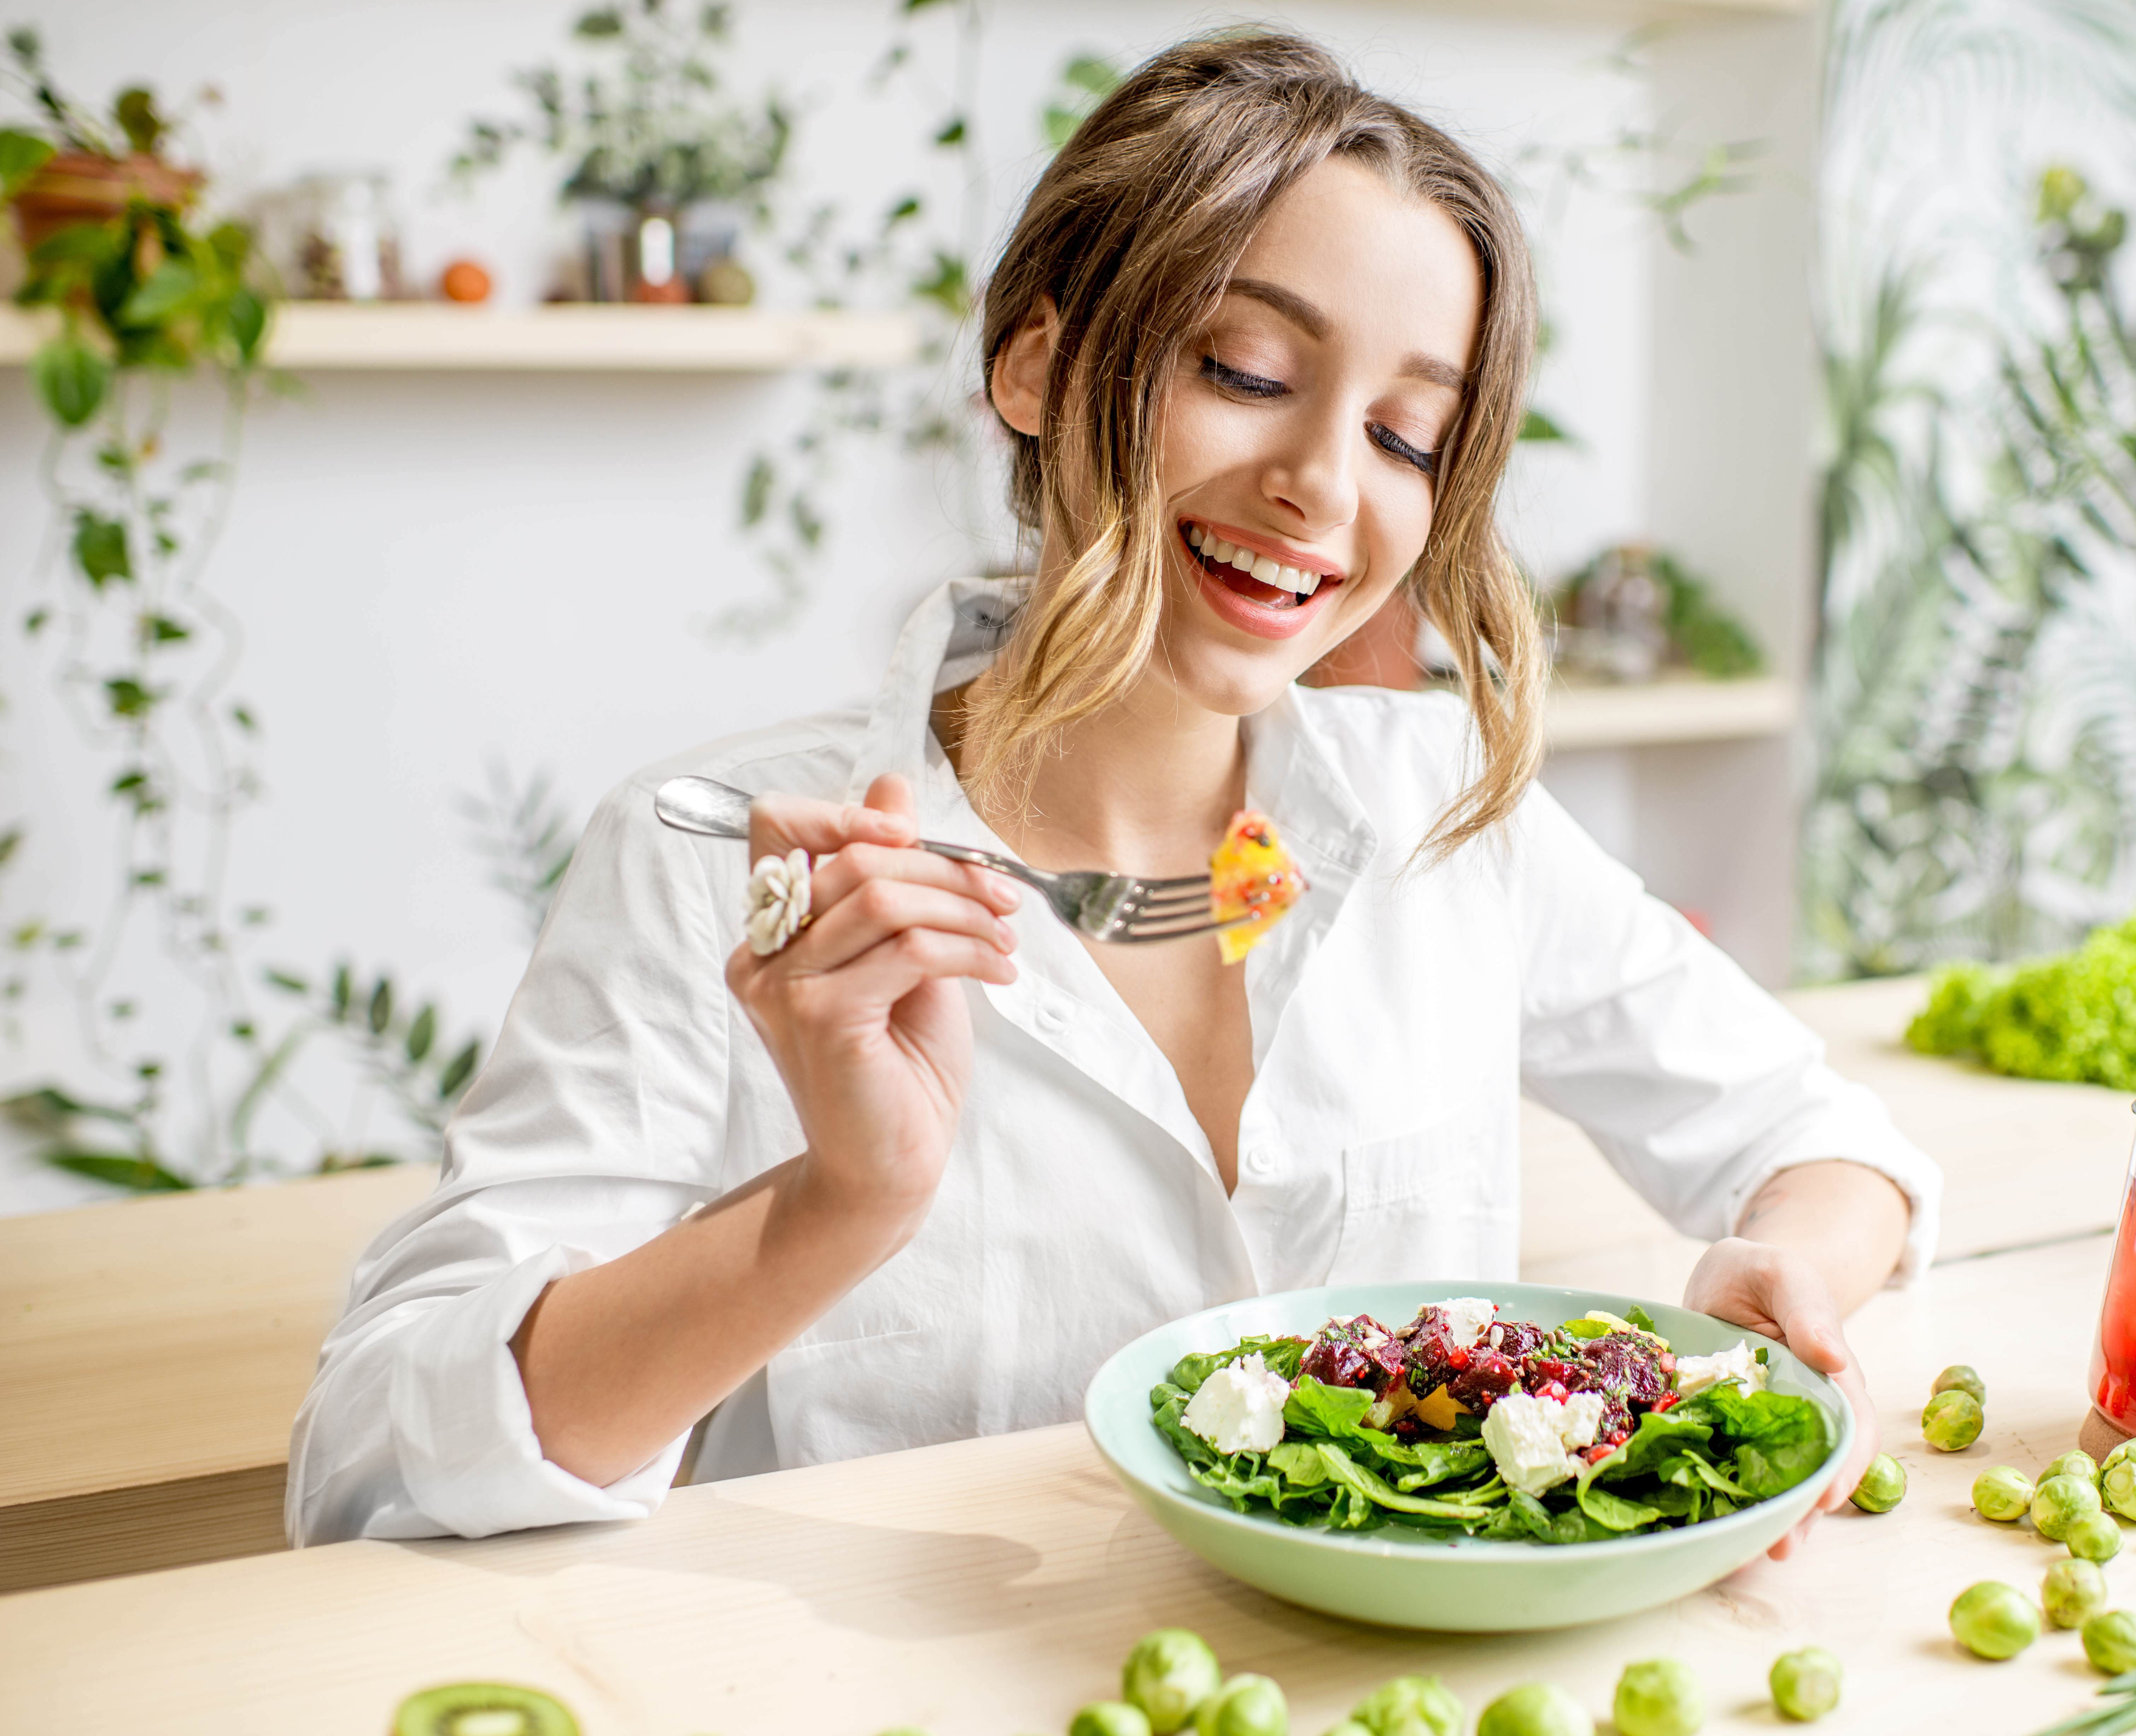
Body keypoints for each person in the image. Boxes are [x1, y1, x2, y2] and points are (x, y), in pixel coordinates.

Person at [287, 31, 1939, 1555]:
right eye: (1239, 369)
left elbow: (1816, 1138)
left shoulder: (1445, 810)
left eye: (1407, 434)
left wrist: (1784, 1276)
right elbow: (372, 1462)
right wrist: (837, 1201)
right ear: (1035, 368)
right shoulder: (723, 853)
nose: (1319, 486)